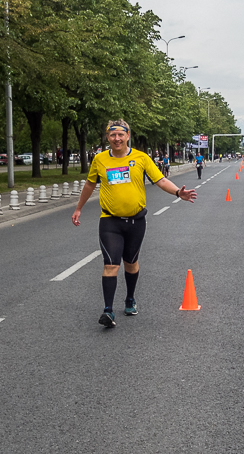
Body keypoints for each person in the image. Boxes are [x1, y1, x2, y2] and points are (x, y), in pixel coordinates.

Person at [72, 119, 198, 329]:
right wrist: (78, 208)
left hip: (136, 222)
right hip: (110, 221)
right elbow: (89, 183)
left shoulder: (141, 158)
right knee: (111, 264)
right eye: (112, 135)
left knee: (131, 262)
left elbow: (160, 180)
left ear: (128, 136)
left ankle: (130, 299)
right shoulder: (100, 159)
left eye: (121, 135)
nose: (117, 138)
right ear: (108, 138)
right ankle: (108, 311)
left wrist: (178, 192)